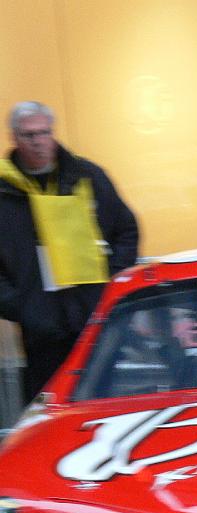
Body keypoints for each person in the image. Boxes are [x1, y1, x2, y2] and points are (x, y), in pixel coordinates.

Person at [0, 101, 139, 403]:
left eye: (45, 132)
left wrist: (112, 283)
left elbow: (126, 229)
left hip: (94, 316)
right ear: (14, 138)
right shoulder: (4, 190)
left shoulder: (86, 176)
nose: (39, 142)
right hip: (40, 328)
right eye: (29, 135)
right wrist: (20, 306)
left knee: (102, 402)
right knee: (49, 406)